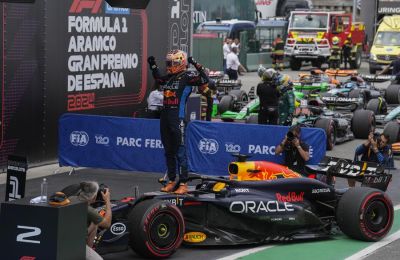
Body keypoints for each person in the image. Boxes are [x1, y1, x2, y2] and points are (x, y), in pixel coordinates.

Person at [148, 50, 210, 194]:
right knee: (168, 150)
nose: (169, 66)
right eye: (168, 63)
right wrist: (153, 65)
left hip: (178, 116)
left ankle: (183, 183)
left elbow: (204, 80)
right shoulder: (169, 77)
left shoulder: (188, 76)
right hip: (165, 115)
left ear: (180, 63)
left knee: (180, 151)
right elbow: (158, 79)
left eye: (172, 63)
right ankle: (171, 180)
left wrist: (196, 64)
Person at [75, 182, 112, 260]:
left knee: (94, 223)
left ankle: (88, 250)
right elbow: (107, 224)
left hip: (66, 237)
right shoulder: (89, 210)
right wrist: (107, 201)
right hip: (75, 243)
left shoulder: (71, 198)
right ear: (94, 197)